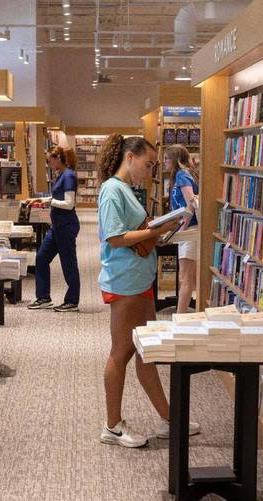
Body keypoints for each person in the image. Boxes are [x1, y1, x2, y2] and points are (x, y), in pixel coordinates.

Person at [97, 134, 199, 447]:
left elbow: (136, 233)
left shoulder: (126, 190)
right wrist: (158, 228)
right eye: (148, 163)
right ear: (130, 156)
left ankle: (169, 418)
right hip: (125, 281)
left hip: (139, 280)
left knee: (146, 350)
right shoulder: (112, 190)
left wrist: (160, 230)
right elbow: (114, 238)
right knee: (122, 352)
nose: (150, 171)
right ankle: (112, 425)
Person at [27, 146, 81, 312]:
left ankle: (72, 301)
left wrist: (50, 202)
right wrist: (41, 199)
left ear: (58, 158)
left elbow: (69, 204)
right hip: (56, 226)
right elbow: (58, 197)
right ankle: (43, 297)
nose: (48, 162)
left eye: (50, 158)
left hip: (66, 226)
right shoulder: (61, 175)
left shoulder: (69, 176)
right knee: (42, 258)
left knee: (68, 263)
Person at [163, 145, 200, 314]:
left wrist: (182, 228)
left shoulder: (181, 176)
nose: (164, 162)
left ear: (175, 160)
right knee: (191, 276)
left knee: (185, 277)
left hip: (188, 229)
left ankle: (180, 317)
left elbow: (191, 202)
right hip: (190, 227)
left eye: (166, 158)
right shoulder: (188, 174)